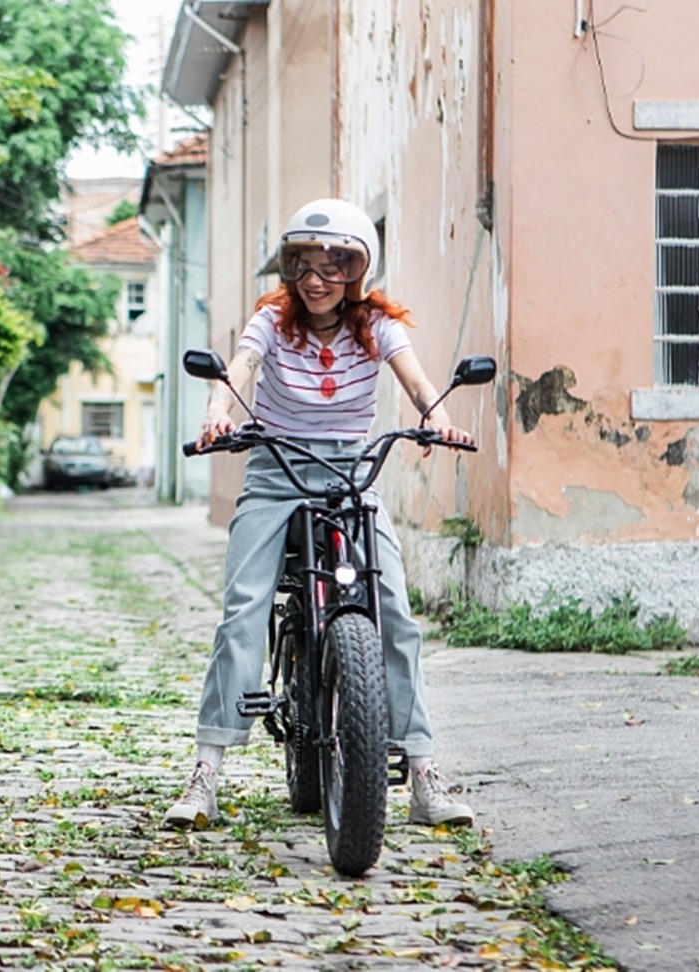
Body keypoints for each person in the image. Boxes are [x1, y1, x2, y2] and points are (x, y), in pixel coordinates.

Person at [163, 198, 474, 830]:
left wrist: (437, 418)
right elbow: (241, 369)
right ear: (289, 268)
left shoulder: (379, 326)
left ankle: (422, 774)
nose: (316, 277)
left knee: (396, 615)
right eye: (304, 263)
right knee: (244, 609)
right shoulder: (272, 323)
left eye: (334, 264)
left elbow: (416, 383)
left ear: (358, 270)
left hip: (353, 475)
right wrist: (218, 412)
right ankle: (206, 774)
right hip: (276, 470)